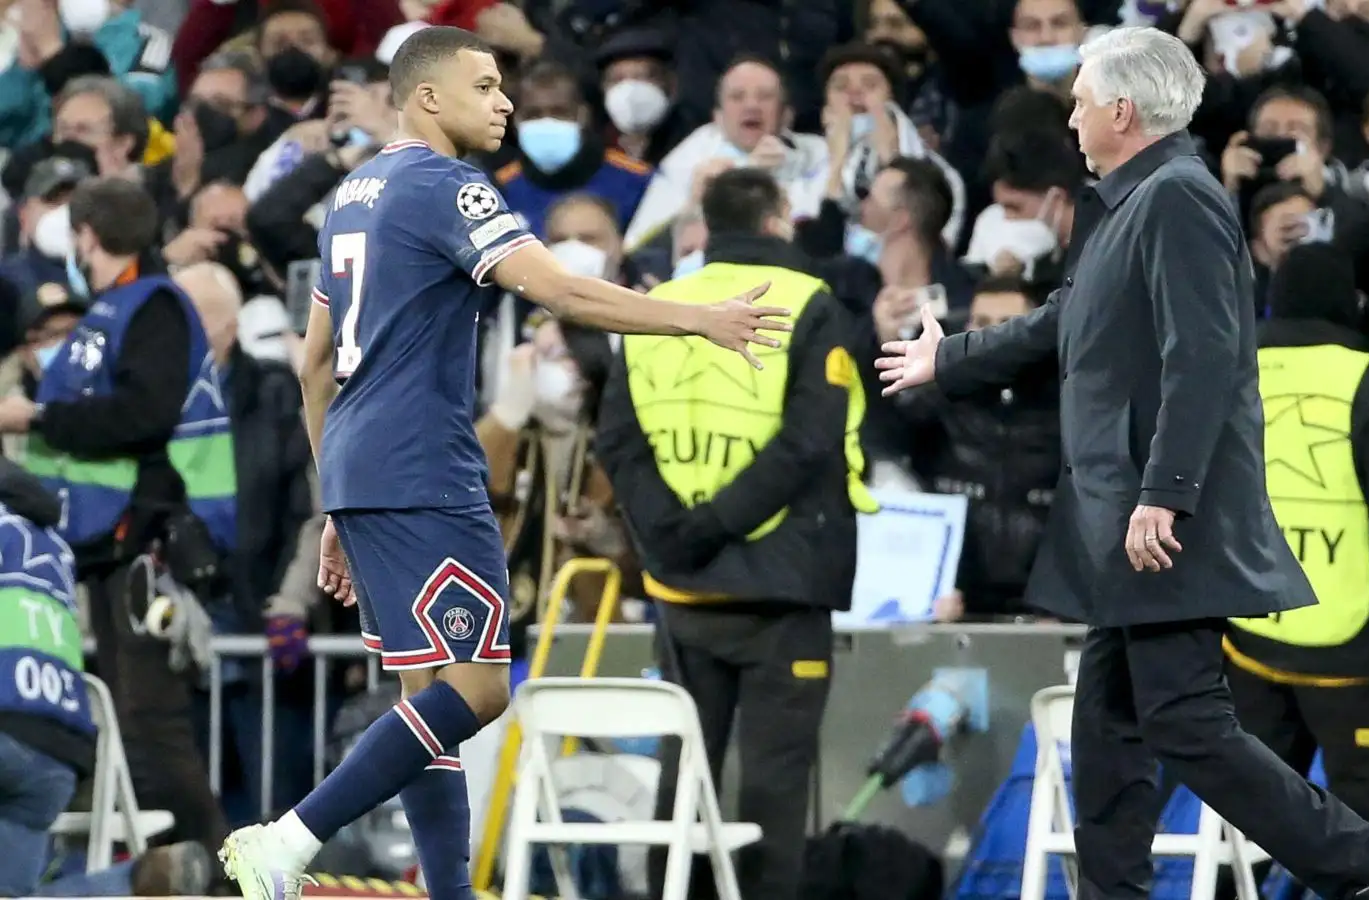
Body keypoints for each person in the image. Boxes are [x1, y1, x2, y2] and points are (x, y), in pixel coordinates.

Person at [216, 25, 791, 900]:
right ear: (428, 97)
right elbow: (556, 288)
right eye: (485, 86)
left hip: (364, 467)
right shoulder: (449, 185)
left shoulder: (352, 194)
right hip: (426, 466)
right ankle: (290, 839)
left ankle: (446, 891)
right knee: (480, 691)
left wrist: (335, 501)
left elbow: (312, 366)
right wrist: (697, 319)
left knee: (428, 702)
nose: (506, 101)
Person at [875, 27, 1369, 900]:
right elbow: (1064, 317)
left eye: (1080, 99)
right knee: (1108, 735)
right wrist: (949, 361)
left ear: (1122, 109)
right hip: (1121, 520)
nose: (1068, 116)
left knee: (1183, 722)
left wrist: (1164, 495)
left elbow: (1205, 356)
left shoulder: (1179, 197)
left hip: (1160, 521)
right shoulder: (1131, 202)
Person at [595, 167, 877, 900]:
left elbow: (618, 441)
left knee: (680, 789)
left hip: (680, 585)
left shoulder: (656, 304)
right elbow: (810, 441)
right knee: (774, 797)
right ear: (781, 216)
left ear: (706, 226)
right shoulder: (812, 301)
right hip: (781, 585)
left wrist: (675, 536)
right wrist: (719, 523)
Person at [0, 176, 234, 853]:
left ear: (87, 237)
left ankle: (223, 872)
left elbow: (145, 414)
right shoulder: (119, 306)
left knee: (151, 719)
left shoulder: (155, 306)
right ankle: (163, 871)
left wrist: (40, 414)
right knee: (129, 721)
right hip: (104, 541)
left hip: (146, 538)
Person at [1228, 245, 1369, 847]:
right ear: (1348, 303)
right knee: (1367, 829)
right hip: (1351, 652)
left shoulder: (1229, 371)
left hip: (1247, 638)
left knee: (1244, 830)